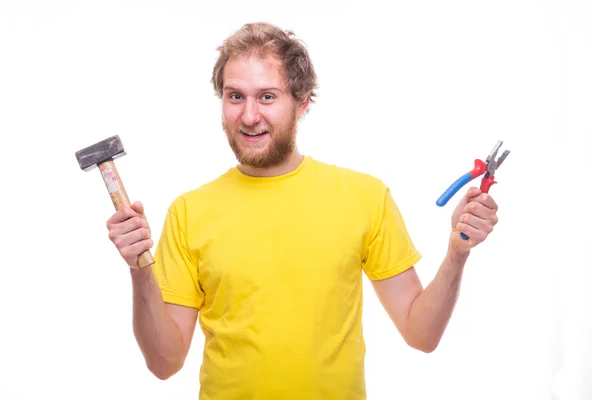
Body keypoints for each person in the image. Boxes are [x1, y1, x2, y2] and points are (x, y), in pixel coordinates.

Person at [106, 22, 499, 400]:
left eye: (267, 96)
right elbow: (164, 362)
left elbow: (422, 334)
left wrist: (456, 254)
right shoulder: (189, 211)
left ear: (302, 101)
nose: (249, 116)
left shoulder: (364, 197)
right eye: (235, 95)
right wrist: (139, 270)